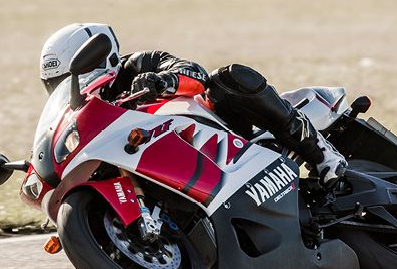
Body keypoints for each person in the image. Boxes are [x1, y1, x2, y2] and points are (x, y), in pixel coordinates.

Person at [39, 23, 347, 186]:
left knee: (228, 79)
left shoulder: (137, 64)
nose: (66, 86)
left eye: (69, 76)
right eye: (56, 84)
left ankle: (321, 153)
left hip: (220, 134)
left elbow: (195, 73)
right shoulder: (85, 116)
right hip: (168, 164)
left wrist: (162, 82)